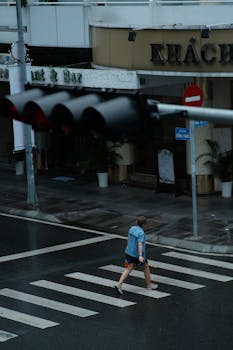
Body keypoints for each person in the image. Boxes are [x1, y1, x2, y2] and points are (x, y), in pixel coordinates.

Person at [115, 215, 158, 295]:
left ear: (136, 222)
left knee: (129, 268)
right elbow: (140, 244)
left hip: (128, 252)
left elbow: (128, 238)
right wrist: (140, 255)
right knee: (145, 266)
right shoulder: (141, 233)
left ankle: (119, 285)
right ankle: (149, 285)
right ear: (144, 225)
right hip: (136, 254)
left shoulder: (132, 228)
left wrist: (129, 248)